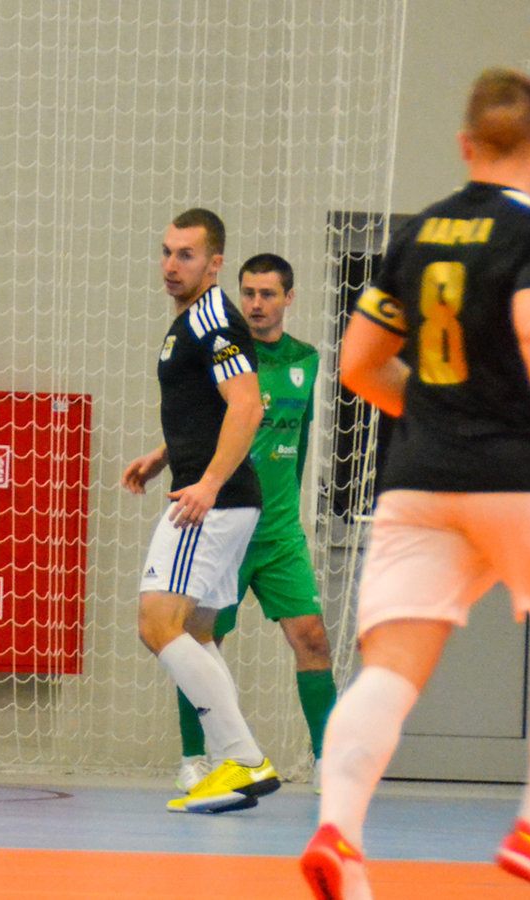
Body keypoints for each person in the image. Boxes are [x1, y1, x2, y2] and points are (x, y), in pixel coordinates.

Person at [301, 69, 530, 900]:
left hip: (418, 482)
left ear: (465, 144)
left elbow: (359, 365)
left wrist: (437, 414)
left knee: (389, 672)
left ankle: (339, 833)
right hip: (518, 479)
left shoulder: (419, 234)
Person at [122, 207, 280, 814]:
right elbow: (209, 407)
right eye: (166, 251)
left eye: (185, 255)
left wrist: (208, 483)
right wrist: (165, 454)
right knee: (195, 632)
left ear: (215, 263)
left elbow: (247, 406)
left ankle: (243, 760)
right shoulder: (189, 319)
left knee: (156, 624)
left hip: (211, 502)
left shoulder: (213, 318)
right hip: (214, 496)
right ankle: (231, 764)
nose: (171, 264)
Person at [174, 254, 336, 794]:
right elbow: (201, 424)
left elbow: (301, 439)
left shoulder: (306, 359)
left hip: (280, 532)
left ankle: (327, 760)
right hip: (228, 524)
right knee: (198, 641)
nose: (256, 304)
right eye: (248, 293)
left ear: (289, 297)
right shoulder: (225, 352)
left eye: (267, 294)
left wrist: (288, 505)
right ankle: (196, 759)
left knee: (313, 639)